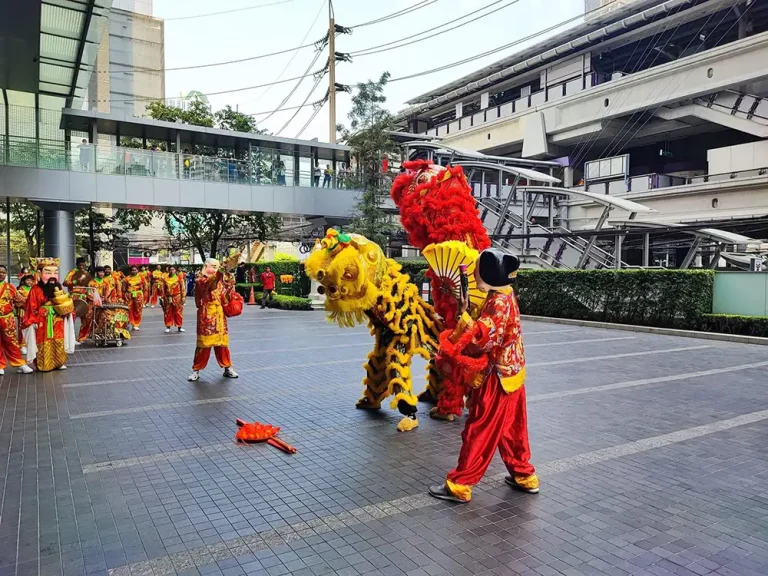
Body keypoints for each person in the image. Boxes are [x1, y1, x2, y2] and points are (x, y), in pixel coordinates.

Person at [428, 249, 538, 504]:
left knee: (480, 429)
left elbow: (486, 338)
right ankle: (524, 475)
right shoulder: (503, 295)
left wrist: (465, 319)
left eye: (478, 267)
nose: (475, 271)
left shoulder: (498, 302)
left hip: (496, 378)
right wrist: (469, 312)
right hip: (512, 372)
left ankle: (460, 484)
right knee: (512, 429)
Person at [188, 258, 238, 381]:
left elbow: (226, 293)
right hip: (206, 316)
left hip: (219, 316)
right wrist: (221, 272)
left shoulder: (219, 280)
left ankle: (227, 368)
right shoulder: (201, 280)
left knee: (222, 344)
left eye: (217, 266)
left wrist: (230, 277)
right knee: (204, 345)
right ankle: (196, 370)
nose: (215, 269)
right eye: (213, 266)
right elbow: (210, 284)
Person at [22, 258, 75, 372]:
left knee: (59, 340)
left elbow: (66, 302)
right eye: (48, 273)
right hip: (43, 321)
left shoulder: (59, 287)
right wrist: (33, 321)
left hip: (58, 319)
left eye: (55, 272)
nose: (52, 276)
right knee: (43, 342)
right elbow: (31, 308)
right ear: (40, 274)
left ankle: (59, 362)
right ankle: (44, 364)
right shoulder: (35, 290)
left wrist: (67, 311)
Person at [0, 266, 34, 375]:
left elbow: (21, 301)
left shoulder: (10, 288)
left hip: (7, 319)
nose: (1, 274)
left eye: (3, 272)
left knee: (12, 342)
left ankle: (20, 364)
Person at [64, 257, 92, 343]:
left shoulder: (86, 273)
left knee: (87, 317)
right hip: (74, 296)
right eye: (80, 265)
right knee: (72, 317)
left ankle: (82, 337)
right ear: (77, 264)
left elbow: (89, 284)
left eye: (83, 265)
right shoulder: (72, 272)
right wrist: (75, 281)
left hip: (84, 296)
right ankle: (70, 338)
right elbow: (65, 283)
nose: (81, 267)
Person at [160, 265, 186, 333]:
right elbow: (163, 289)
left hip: (177, 297)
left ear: (175, 270)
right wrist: (162, 297)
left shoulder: (179, 278)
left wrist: (183, 297)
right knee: (168, 312)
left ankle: (179, 327)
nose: (171, 271)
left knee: (178, 312)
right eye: (170, 270)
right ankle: (168, 326)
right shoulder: (165, 279)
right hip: (168, 298)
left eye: (173, 269)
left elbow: (182, 288)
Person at [16, 273, 35, 356]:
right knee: (22, 327)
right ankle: (22, 345)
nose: (29, 282)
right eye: (27, 280)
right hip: (23, 311)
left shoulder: (34, 288)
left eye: (31, 280)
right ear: (23, 281)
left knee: (32, 328)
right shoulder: (21, 289)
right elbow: (19, 300)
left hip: (32, 311)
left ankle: (30, 344)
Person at [124, 265, 146, 330]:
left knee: (137, 310)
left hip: (138, 295)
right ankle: (128, 323)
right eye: (132, 270)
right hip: (129, 295)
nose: (133, 271)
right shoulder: (126, 278)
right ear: (130, 271)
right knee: (128, 309)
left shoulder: (141, 278)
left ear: (137, 271)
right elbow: (123, 288)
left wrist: (142, 294)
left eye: (135, 270)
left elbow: (145, 288)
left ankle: (135, 324)